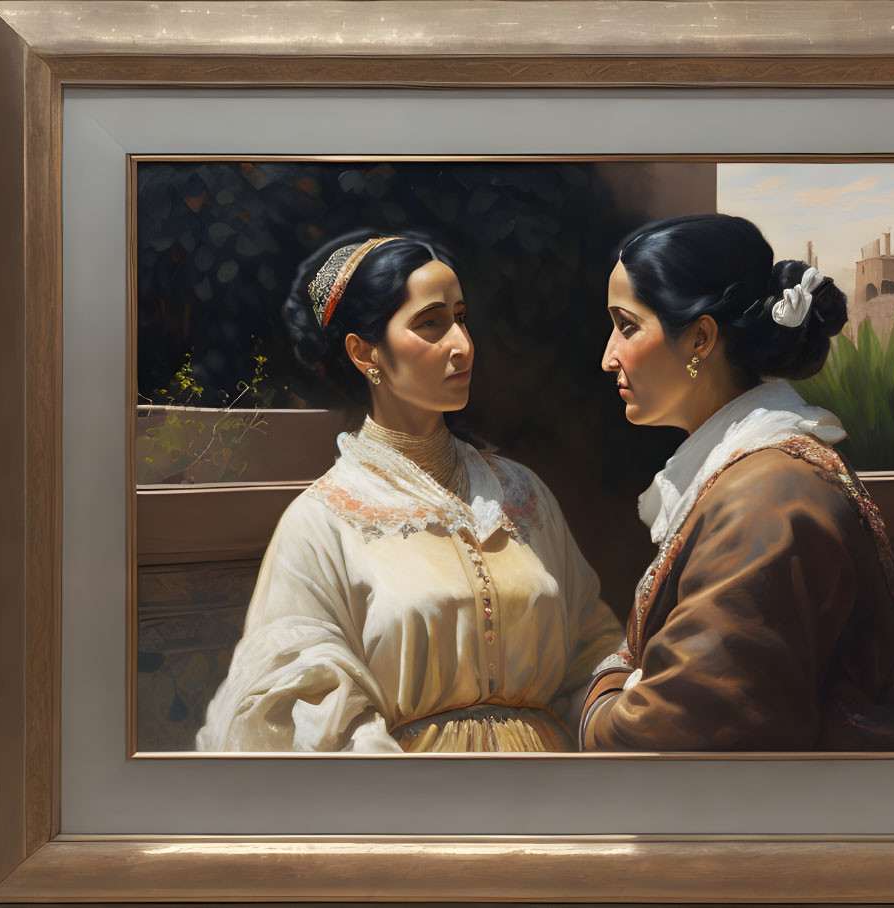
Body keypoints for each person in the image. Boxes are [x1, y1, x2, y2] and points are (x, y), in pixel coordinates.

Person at [196, 231, 623, 753]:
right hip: (417, 804)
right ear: (364, 352)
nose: (461, 345)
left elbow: (592, 647)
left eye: (461, 318)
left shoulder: (521, 494)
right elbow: (297, 704)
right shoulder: (323, 522)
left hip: (554, 798)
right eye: (430, 324)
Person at [580, 214, 894, 752]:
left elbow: (667, 733)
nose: (609, 356)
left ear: (700, 338)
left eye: (626, 326)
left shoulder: (767, 500)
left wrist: (604, 688)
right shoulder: (752, 472)